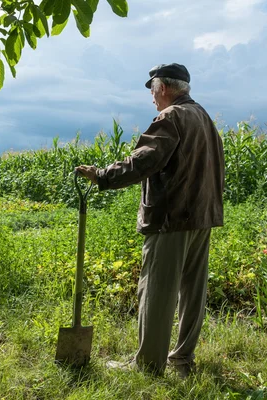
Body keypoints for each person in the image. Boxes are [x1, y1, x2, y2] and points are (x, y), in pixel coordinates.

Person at [76, 63, 225, 378]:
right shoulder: (204, 117)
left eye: (153, 89)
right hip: (202, 217)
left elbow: (143, 161)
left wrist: (101, 176)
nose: (152, 97)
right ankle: (182, 360)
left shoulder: (171, 118)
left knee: (156, 291)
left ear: (165, 88)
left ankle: (148, 365)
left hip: (172, 219)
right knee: (191, 292)